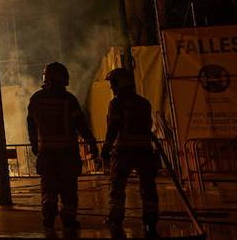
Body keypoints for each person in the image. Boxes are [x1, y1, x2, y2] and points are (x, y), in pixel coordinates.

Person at [27, 61, 99, 236]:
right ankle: (69, 222)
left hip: (47, 154)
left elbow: (31, 125)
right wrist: (91, 143)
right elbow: (81, 125)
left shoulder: (37, 99)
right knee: (68, 191)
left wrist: (35, 144)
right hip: (68, 154)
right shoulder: (69, 100)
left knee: (48, 190)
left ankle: (49, 220)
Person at [102, 67, 160, 238]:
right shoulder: (143, 103)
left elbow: (113, 127)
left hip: (124, 152)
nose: (112, 87)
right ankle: (150, 220)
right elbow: (147, 126)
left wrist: (106, 147)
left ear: (120, 83)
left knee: (117, 188)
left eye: (113, 83)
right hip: (145, 151)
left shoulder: (116, 103)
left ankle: (116, 219)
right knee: (148, 188)